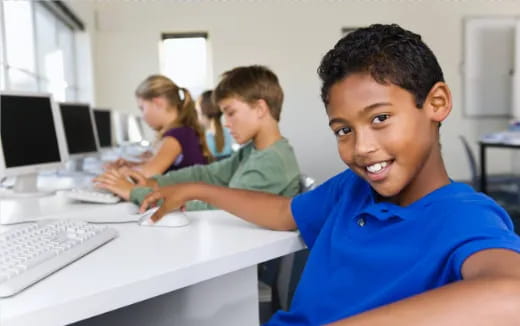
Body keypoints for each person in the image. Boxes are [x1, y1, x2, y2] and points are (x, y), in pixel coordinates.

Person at [138, 24, 520, 325]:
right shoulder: (352, 188)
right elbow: (285, 213)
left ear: (436, 103)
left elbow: (512, 296)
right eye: (343, 130)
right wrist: (192, 189)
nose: (361, 147)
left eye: (380, 118)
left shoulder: (464, 215)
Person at [95, 65, 301, 211]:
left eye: (231, 112)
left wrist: (135, 193)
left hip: (249, 265)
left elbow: (216, 207)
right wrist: (153, 183)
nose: (226, 123)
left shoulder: (272, 161)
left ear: (260, 108)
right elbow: (207, 175)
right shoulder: (255, 151)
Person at [103, 75, 211, 178]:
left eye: (142, 108)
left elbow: (148, 173)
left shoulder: (176, 135)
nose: (143, 116)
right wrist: (132, 166)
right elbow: (156, 166)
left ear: (157, 103)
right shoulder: (184, 131)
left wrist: (117, 172)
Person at [196, 90, 235, 159]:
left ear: (204, 113)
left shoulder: (205, 138)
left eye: (198, 113)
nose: (197, 117)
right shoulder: (229, 132)